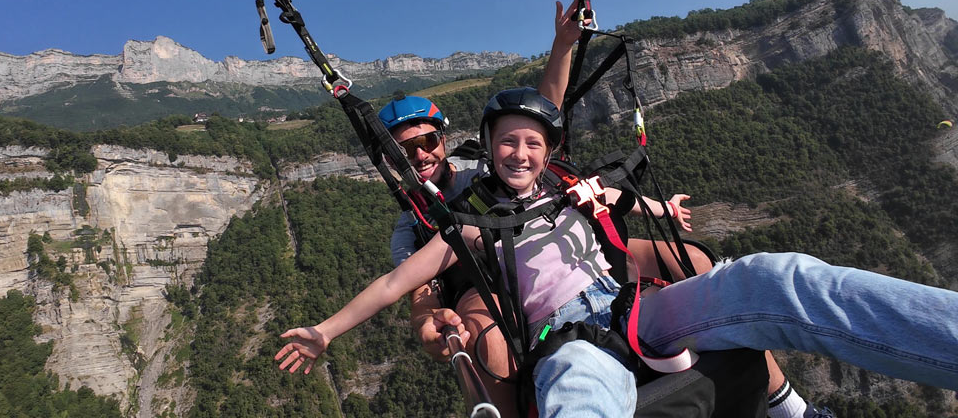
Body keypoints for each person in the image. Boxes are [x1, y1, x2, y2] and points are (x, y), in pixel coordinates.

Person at [276, 88, 958, 417]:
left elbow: (619, 203)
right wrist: (327, 330)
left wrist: (660, 211)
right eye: (508, 143)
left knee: (776, 278)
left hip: (633, 308)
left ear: (546, 156)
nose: (520, 153)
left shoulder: (566, 191)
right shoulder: (469, 222)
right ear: (489, 151)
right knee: (577, 396)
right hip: (564, 337)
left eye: (532, 145)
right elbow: (401, 281)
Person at [381, 1, 828, 418]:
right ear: (391, 162)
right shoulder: (412, 226)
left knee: (695, 260)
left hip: (556, 244)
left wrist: (563, 46)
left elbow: (541, 116)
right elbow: (420, 289)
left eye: (425, 142)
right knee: (490, 342)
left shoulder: (484, 168)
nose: (419, 155)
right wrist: (427, 322)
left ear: (442, 140)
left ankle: (783, 401)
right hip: (488, 278)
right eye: (404, 152)